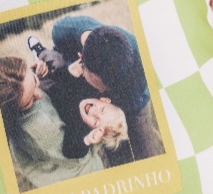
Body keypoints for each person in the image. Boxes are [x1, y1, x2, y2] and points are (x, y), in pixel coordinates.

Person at [48, 16, 164, 161]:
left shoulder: (139, 72)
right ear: (82, 59)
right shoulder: (68, 30)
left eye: (103, 89)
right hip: (99, 100)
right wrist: (67, 71)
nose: (101, 91)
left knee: (145, 151)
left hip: (134, 101)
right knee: (115, 151)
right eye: (99, 86)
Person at [0, 57, 103, 192]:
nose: (39, 95)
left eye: (35, 81)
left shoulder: (17, 82)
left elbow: (25, 85)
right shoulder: (39, 128)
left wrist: (41, 73)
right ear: (12, 112)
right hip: (73, 168)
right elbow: (76, 159)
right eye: (30, 101)